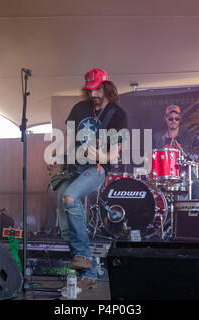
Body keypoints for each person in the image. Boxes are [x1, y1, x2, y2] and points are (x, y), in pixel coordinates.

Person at [47, 68, 127, 291]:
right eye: (90, 90)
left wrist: (104, 156)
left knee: (71, 198)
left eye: (97, 90)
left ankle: (82, 258)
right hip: (73, 166)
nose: (94, 95)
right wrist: (55, 156)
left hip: (97, 168)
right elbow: (68, 138)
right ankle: (88, 271)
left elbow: (117, 149)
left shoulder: (117, 114)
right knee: (64, 219)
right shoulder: (79, 108)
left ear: (107, 87)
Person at [152, 104, 199, 199]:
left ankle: (194, 210)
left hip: (182, 168)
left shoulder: (188, 135)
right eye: (170, 119)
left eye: (176, 119)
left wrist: (195, 160)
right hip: (164, 170)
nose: (174, 121)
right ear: (165, 118)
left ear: (180, 118)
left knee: (196, 186)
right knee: (152, 188)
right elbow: (152, 155)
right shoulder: (157, 136)